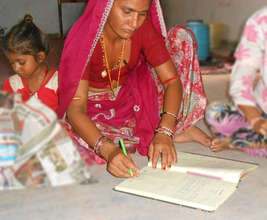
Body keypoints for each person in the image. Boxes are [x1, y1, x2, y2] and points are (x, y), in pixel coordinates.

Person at [57, 0, 211, 178]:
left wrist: (165, 130)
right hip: (94, 108)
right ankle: (166, 128)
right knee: (69, 142)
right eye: (127, 12)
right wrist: (108, 151)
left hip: (131, 96)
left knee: (182, 38)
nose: (134, 23)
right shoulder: (84, 39)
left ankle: (167, 128)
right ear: (105, 5)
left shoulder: (142, 28)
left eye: (142, 14)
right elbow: (76, 109)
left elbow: (171, 82)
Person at [205, 6, 267, 157]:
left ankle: (242, 143)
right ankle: (254, 142)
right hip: (262, 110)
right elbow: (243, 73)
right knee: (216, 113)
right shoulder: (261, 20)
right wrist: (255, 118)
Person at [2, 14, 58, 112]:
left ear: (40, 57)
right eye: (11, 63)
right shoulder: (12, 85)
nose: (16, 68)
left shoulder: (58, 82)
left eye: (21, 62)